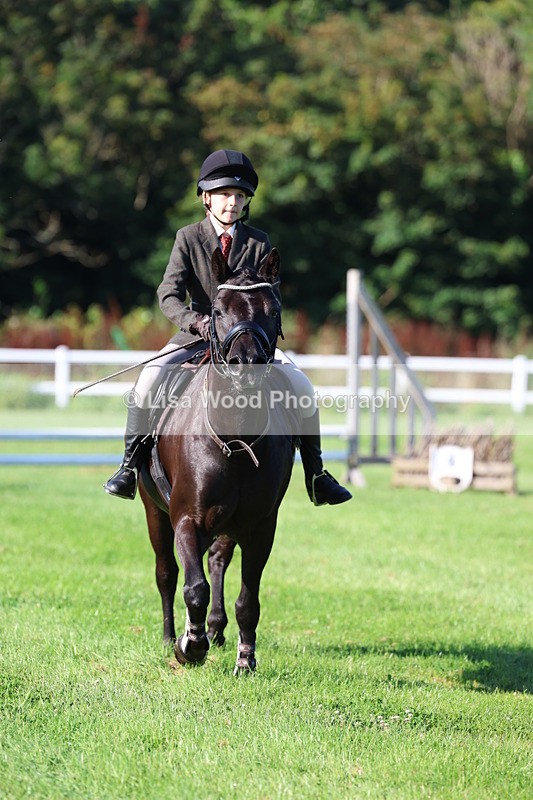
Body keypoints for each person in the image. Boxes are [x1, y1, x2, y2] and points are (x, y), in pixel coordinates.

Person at [104, 149, 352, 506]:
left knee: (302, 387)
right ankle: (128, 467)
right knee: (147, 383)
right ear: (207, 198)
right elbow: (168, 294)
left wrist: (262, 332)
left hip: (249, 340)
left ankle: (317, 475)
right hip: (197, 333)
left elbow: (271, 299)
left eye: (239, 196)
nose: (232, 203)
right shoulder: (187, 238)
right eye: (224, 195)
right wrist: (197, 321)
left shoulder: (258, 241)